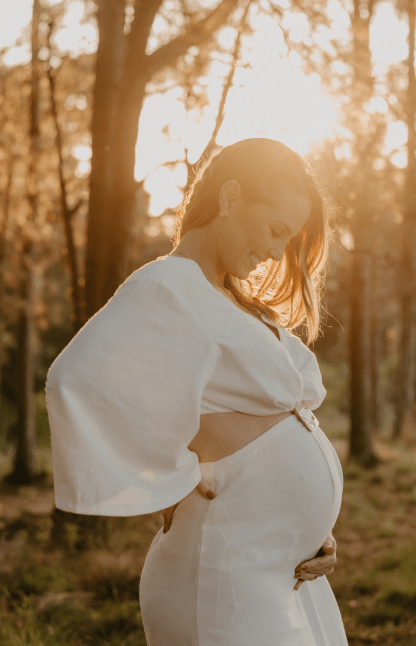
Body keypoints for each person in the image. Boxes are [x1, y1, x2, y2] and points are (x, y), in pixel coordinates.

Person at [46, 138, 348, 646]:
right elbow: (73, 380)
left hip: (277, 569)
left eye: (288, 239)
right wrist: (173, 474)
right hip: (223, 567)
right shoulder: (167, 286)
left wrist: (306, 525)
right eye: (276, 230)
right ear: (230, 198)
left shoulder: (232, 299)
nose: (277, 252)